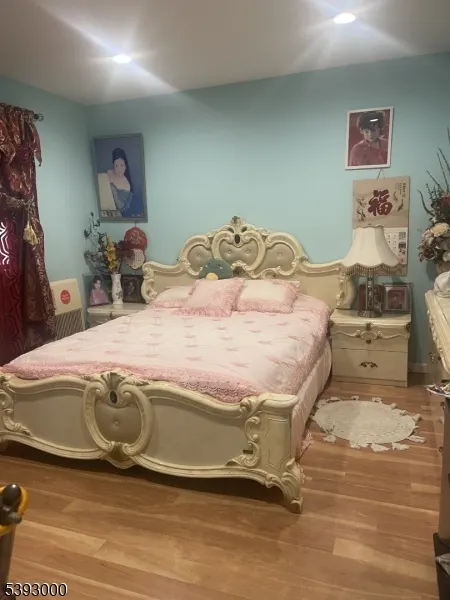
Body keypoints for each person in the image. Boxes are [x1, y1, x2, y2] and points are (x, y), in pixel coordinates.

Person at [98, 148, 134, 218]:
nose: (119, 169)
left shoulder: (127, 185)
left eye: (122, 165)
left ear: (125, 166)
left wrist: (113, 189)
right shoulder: (108, 173)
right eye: (116, 166)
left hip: (119, 213)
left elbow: (121, 207)